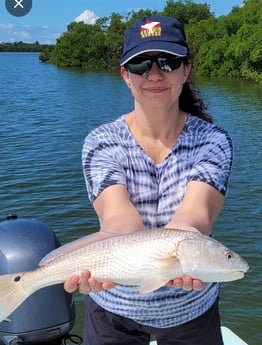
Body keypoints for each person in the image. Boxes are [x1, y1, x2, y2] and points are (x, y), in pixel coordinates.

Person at [64, 15, 233, 345]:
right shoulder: (101, 142)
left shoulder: (213, 141)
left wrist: (186, 243)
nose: (154, 74)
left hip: (192, 314)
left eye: (168, 62)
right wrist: (89, 262)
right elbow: (118, 222)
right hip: (113, 313)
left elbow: (195, 215)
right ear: (125, 75)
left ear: (186, 69)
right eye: (141, 64)